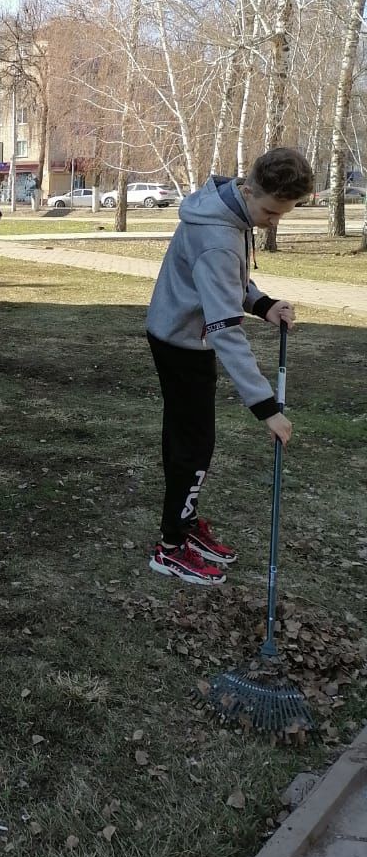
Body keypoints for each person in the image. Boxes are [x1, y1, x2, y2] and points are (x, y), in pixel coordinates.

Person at [145, 147, 314, 585]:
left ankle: (183, 523)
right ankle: (170, 546)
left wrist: (262, 303)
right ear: (251, 189)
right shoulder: (219, 236)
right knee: (192, 447)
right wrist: (266, 406)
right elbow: (225, 330)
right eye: (272, 211)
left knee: (190, 441)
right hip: (183, 343)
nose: (275, 220)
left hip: (182, 334)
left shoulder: (230, 211)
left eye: (284, 212)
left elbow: (230, 283)